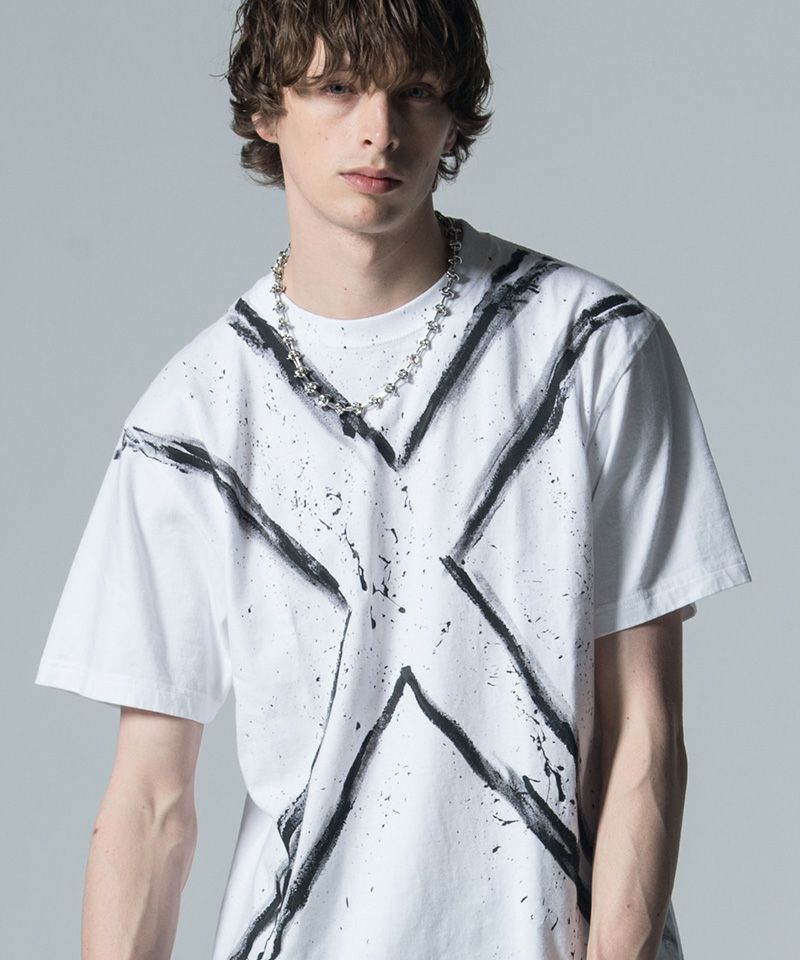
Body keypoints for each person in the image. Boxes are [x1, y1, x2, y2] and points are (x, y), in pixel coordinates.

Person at [34, 1, 752, 958]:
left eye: (414, 91)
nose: (379, 129)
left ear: (453, 112)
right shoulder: (190, 421)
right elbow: (151, 802)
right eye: (337, 87)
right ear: (267, 108)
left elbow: (644, 739)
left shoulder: (593, 352)